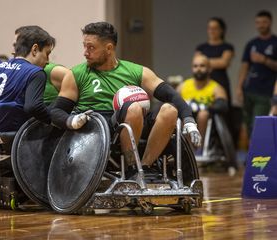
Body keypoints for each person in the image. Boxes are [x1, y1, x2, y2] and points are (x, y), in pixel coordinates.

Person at [50, 22, 201, 180]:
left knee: (170, 110)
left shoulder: (135, 71)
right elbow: (56, 111)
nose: (85, 53)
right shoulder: (76, 74)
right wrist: (71, 121)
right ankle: (131, 168)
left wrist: (189, 121)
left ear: (109, 48)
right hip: (99, 125)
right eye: (84, 46)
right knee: (134, 108)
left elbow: (172, 95)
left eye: (91, 47)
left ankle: (144, 166)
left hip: (134, 120)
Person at [236, 10, 277, 138]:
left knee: (258, 124)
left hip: (266, 91)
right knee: (247, 124)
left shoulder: (275, 42)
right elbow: (244, 67)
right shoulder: (251, 43)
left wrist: (264, 60)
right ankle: (251, 153)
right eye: (258, 22)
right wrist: (239, 87)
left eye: (264, 22)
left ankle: (259, 155)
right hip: (249, 89)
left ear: (270, 22)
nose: (261, 25)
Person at [177, 55, 228, 149]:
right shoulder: (183, 86)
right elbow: (172, 102)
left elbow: (223, 105)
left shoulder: (216, 88)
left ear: (209, 69)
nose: (198, 69)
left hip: (207, 120)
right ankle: (188, 150)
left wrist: (205, 108)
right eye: (195, 66)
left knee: (203, 114)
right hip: (187, 118)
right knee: (183, 115)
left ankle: (200, 148)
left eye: (202, 66)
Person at [195, 17, 234, 103]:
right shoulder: (201, 47)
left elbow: (224, 62)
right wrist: (215, 62)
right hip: (203, 82)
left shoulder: (227, 47)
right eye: (209, 28)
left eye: (215, 28)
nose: (212, 31)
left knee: (222, 106)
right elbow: (196, 62)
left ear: (221, 30)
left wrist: (204, 61)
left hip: (220, 81)